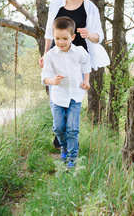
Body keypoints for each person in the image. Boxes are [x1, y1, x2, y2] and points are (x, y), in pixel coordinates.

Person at [39, 0, 110, 150]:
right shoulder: (55, 4)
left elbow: (98, 36)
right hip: (56, 56)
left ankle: (71, 134)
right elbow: (49, 31)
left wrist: (89, 34)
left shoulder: (90, 7)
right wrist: (46, 53)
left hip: (78, 58)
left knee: (74, 95)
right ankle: (59, 130)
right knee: (56, 89)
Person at [41, 17, 91, 169]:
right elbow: (44, 77)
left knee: (72, 128)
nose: (61, 42)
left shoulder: (79, 52)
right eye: (57, 38)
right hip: (58, 97)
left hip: (75, 95)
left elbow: (86, 63)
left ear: (72, 37)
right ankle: (63, 147)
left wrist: (86, 80)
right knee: (58, 128)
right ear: (53, 36)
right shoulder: (50, 56)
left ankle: (72, 158)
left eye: (65, 38)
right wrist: (53, 80)